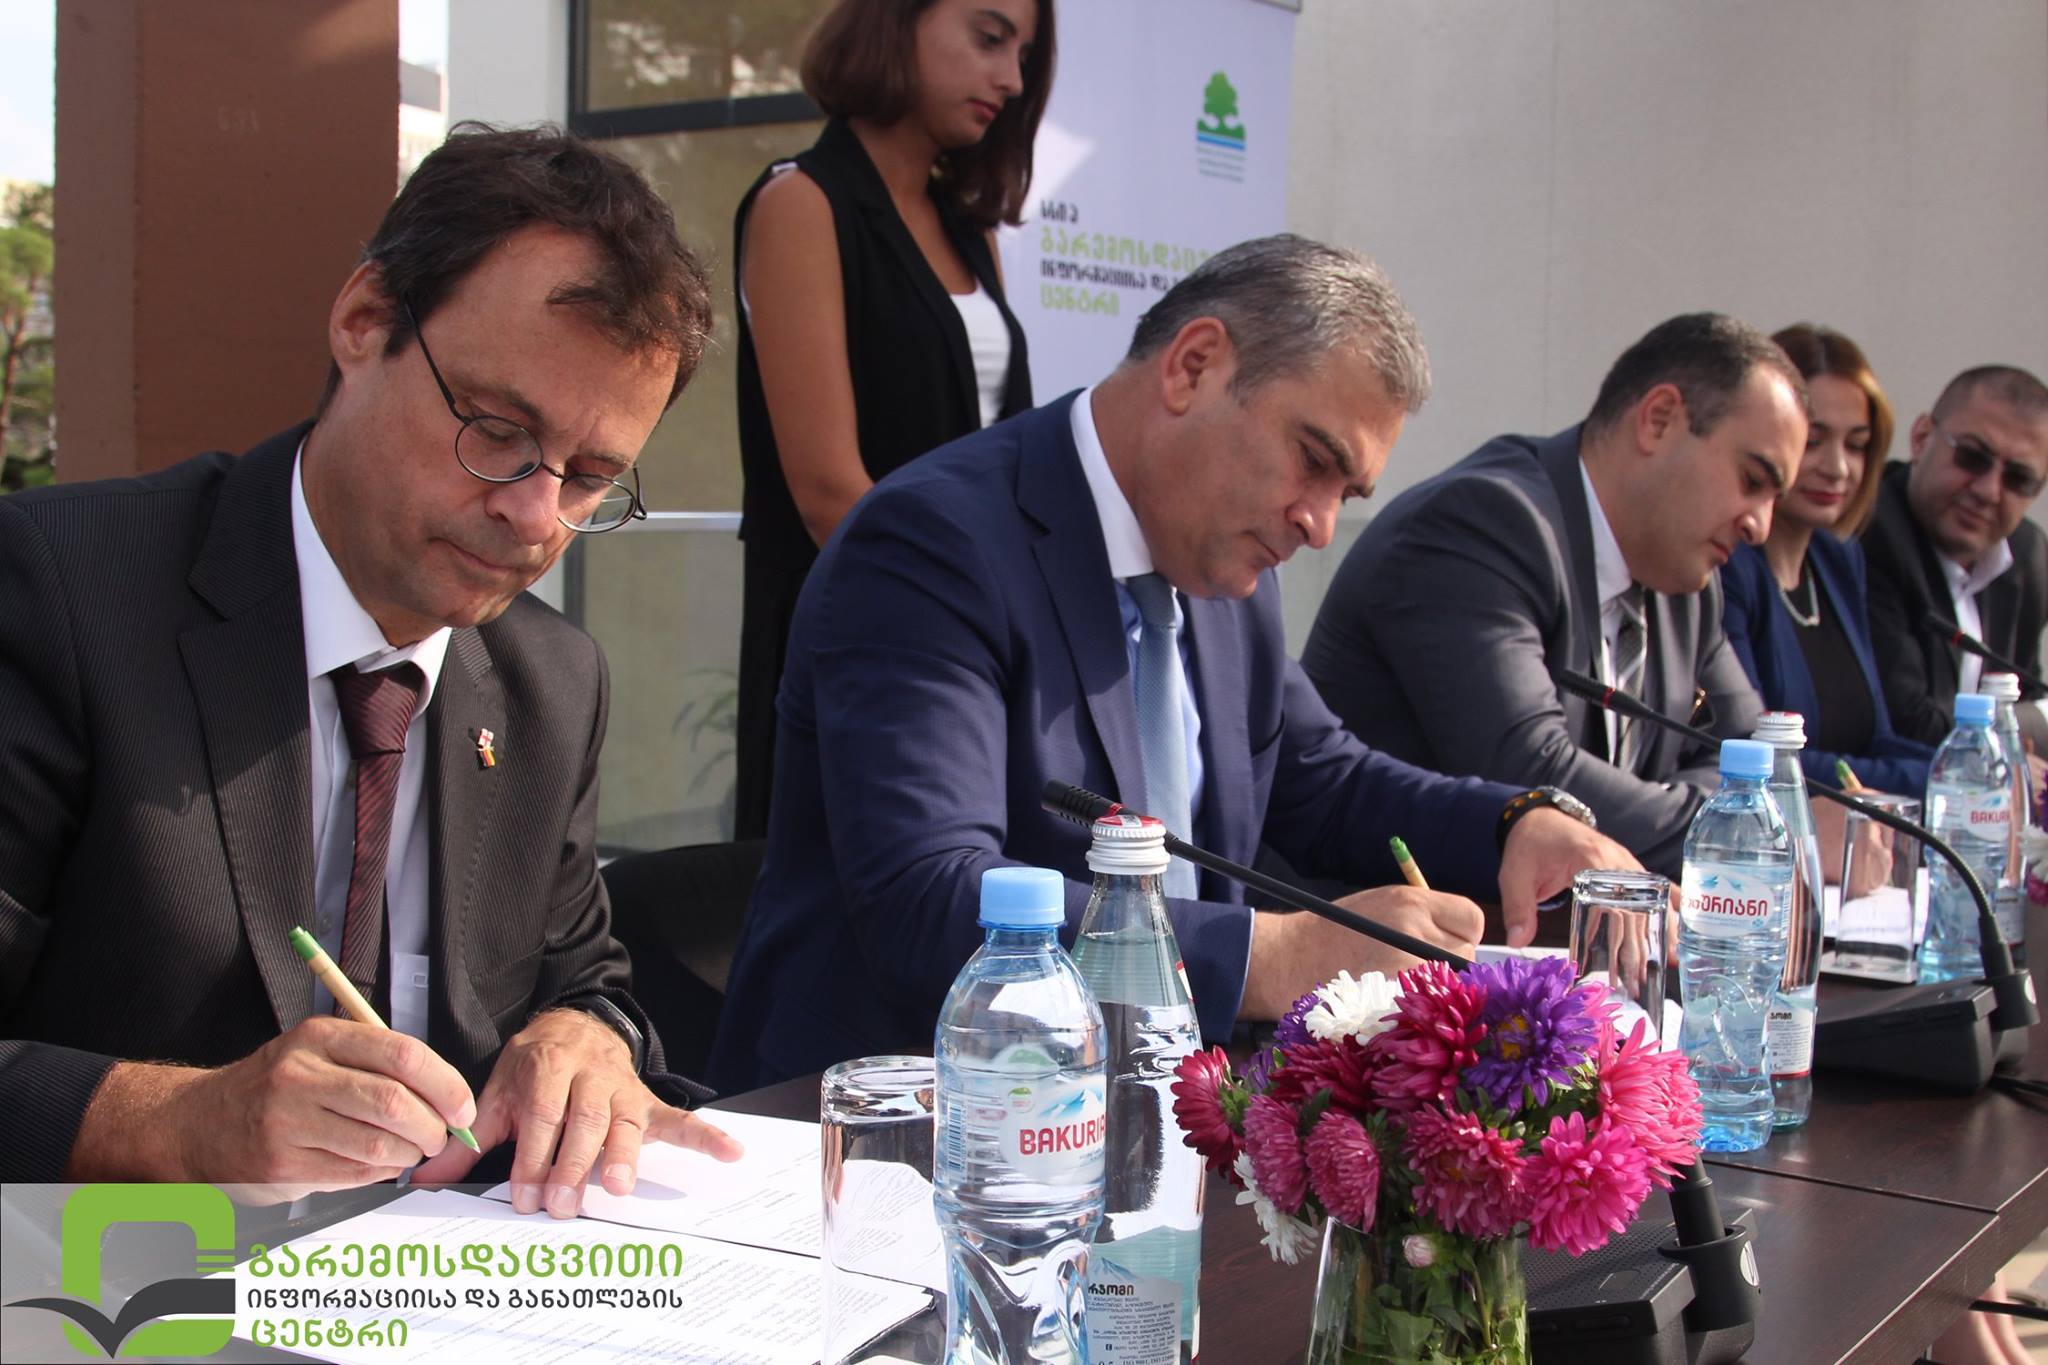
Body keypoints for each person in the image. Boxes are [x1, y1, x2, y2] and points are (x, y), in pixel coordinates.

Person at [0, 125, 740, 1206]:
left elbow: (583, 975)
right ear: (364, 320)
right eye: (497, 430)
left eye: (589, 476)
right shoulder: (61, 594)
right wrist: (180, 1123)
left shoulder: (550, 679)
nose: (536, 515)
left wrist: (585, 1034)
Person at [707, 234, 1638, 1093]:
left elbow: (1324, 781)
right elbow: (933, 900)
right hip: (912, 1132)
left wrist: (1513, 823)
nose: (1319, 524)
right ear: (1194, 366)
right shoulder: (933, 544)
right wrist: (1278, 956)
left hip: (1163, 1119)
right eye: (1313, 460)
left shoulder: (1223, 563)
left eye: (1345, 493)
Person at [1301, 314, 1801, 878]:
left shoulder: (1688, 582)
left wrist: (1730, 807)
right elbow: (1537, 778)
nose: (1761, 526)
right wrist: (1731, 825)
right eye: (1752, 480)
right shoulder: (1480, 524)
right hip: (1386, 924)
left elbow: (1758, 762)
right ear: (1659, 420)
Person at [732, 0, 1050, 838]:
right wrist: (983, 613)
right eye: (989, 38)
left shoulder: (969, 230)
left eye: (1022, 55)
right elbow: (826, 489)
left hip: (972, 644)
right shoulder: (800, 202)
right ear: (895, 22)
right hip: (860, 640)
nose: (1011, 79)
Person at [1719, 325, 1932, 796]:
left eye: (1856, 445)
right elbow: (1754, 753)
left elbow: (1875, 736)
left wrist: (1965, 766)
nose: (1837, 468)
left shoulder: (1840, 559)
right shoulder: (1729, 564)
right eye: (1813, 440)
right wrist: (1940, 779)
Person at [1860, 365, 2048, 748]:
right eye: (1973, 457)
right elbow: (1912, 727)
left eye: (2017, 479)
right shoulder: (1870, 532)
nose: (1988, 491)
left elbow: (2025, 694)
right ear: (1921, 438)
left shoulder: (2028, 553)